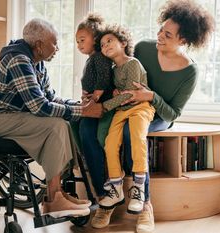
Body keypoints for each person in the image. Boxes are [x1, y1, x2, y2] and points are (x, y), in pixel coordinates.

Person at [83, 1, 215, 232]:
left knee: (131, 133)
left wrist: (150, 96)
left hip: (157, 113)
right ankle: (107, 196)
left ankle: (145, 204)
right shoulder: (143, 48)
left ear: (183, 40)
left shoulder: (189, 71)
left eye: (168, 35)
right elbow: (118, 68)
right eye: (160, 30)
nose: (159, 36)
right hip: (126, 106)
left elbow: (173, 113)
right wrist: (99, 90)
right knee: (90, 129)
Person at [0, 18, 103, 218]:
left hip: (9, 117)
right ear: (39, 45)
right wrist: (84, 112)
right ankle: (54, 198)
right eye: (54, 43)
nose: (57, 49)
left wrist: (80, 106)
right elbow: (39, 107)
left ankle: (57, 195)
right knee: (55, 125)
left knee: (61, 122)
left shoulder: (37, 64)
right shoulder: (18, 59)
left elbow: (50, 98)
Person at [96, 24, 155, 216]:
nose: (105, 46)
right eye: (103, 45)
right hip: (121, 111)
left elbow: (130, 94)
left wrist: (105, 106)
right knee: (110, 143)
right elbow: (119, 94)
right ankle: (116, 188)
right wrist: (116, 95)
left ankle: (138, 190)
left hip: (140, 108)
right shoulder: (112, 70)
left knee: (138, 139)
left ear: (123, 42)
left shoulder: (133, 63)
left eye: (110, 41)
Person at [73, 13, 114, 198]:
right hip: (92, 103)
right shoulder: (91, 58)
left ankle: (101, 186)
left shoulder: (99, 56)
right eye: (77, 41)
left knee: (86, 131)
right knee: (75, 124)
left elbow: (105, 78)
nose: (79, 44)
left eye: (82, 40)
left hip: (100, 106)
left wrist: (94, 98)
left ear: (95, 39)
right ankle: (83, 160)